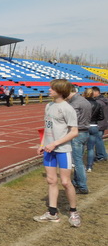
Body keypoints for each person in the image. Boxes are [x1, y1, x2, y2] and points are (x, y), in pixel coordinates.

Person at [34, 79, 80, 227]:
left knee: (66, 182)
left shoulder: (68, 109)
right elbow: (47, 128)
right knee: (51, 180)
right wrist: (43, 144)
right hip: (49, 150)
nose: (49, 90)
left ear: (60, 91)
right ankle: (52, 213)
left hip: (62, 150)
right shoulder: (48, 105)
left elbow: (74, 132)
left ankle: (73, 212)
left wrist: (55, 143)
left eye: (52, 88)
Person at [66, 87, 92, 195]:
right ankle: (77, 182)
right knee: (79, 159)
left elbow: (72, 120)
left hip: (78, 133)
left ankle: (82, 186)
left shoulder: (75, 104)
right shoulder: (84, 101)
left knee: (77, 162)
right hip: (85, 131)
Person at [83, 88, 104, 173]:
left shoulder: (83, 103)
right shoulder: (97, 104)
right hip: (94, 126)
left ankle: (79, 165)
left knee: (81, 147)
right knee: (91, 148)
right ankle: (89, 167)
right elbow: (101, 117)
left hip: (84, 126)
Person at [92, 86, 107, 162]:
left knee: (98, 140)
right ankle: (103, 155)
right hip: (104, 123)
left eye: (92, 92)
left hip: (99, 123)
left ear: (96, 92)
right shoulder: (104, 100)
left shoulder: (98, 102)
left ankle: (100, 156)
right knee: (99, 139)